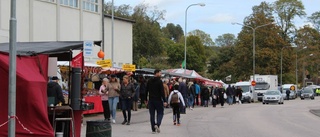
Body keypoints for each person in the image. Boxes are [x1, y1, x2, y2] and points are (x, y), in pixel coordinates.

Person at [145, 69, 167, 134]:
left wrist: (145, 99)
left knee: (152, 115)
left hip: (151, 100)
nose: (161, 74)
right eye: (160, 73)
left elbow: (146, 90)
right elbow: (162, 92)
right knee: (160, 113)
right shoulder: (159, 81)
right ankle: (157, 124)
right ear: (156, 73)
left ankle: (153, 129)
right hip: (158, 100)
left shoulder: (149, 81)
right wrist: (165, 100)